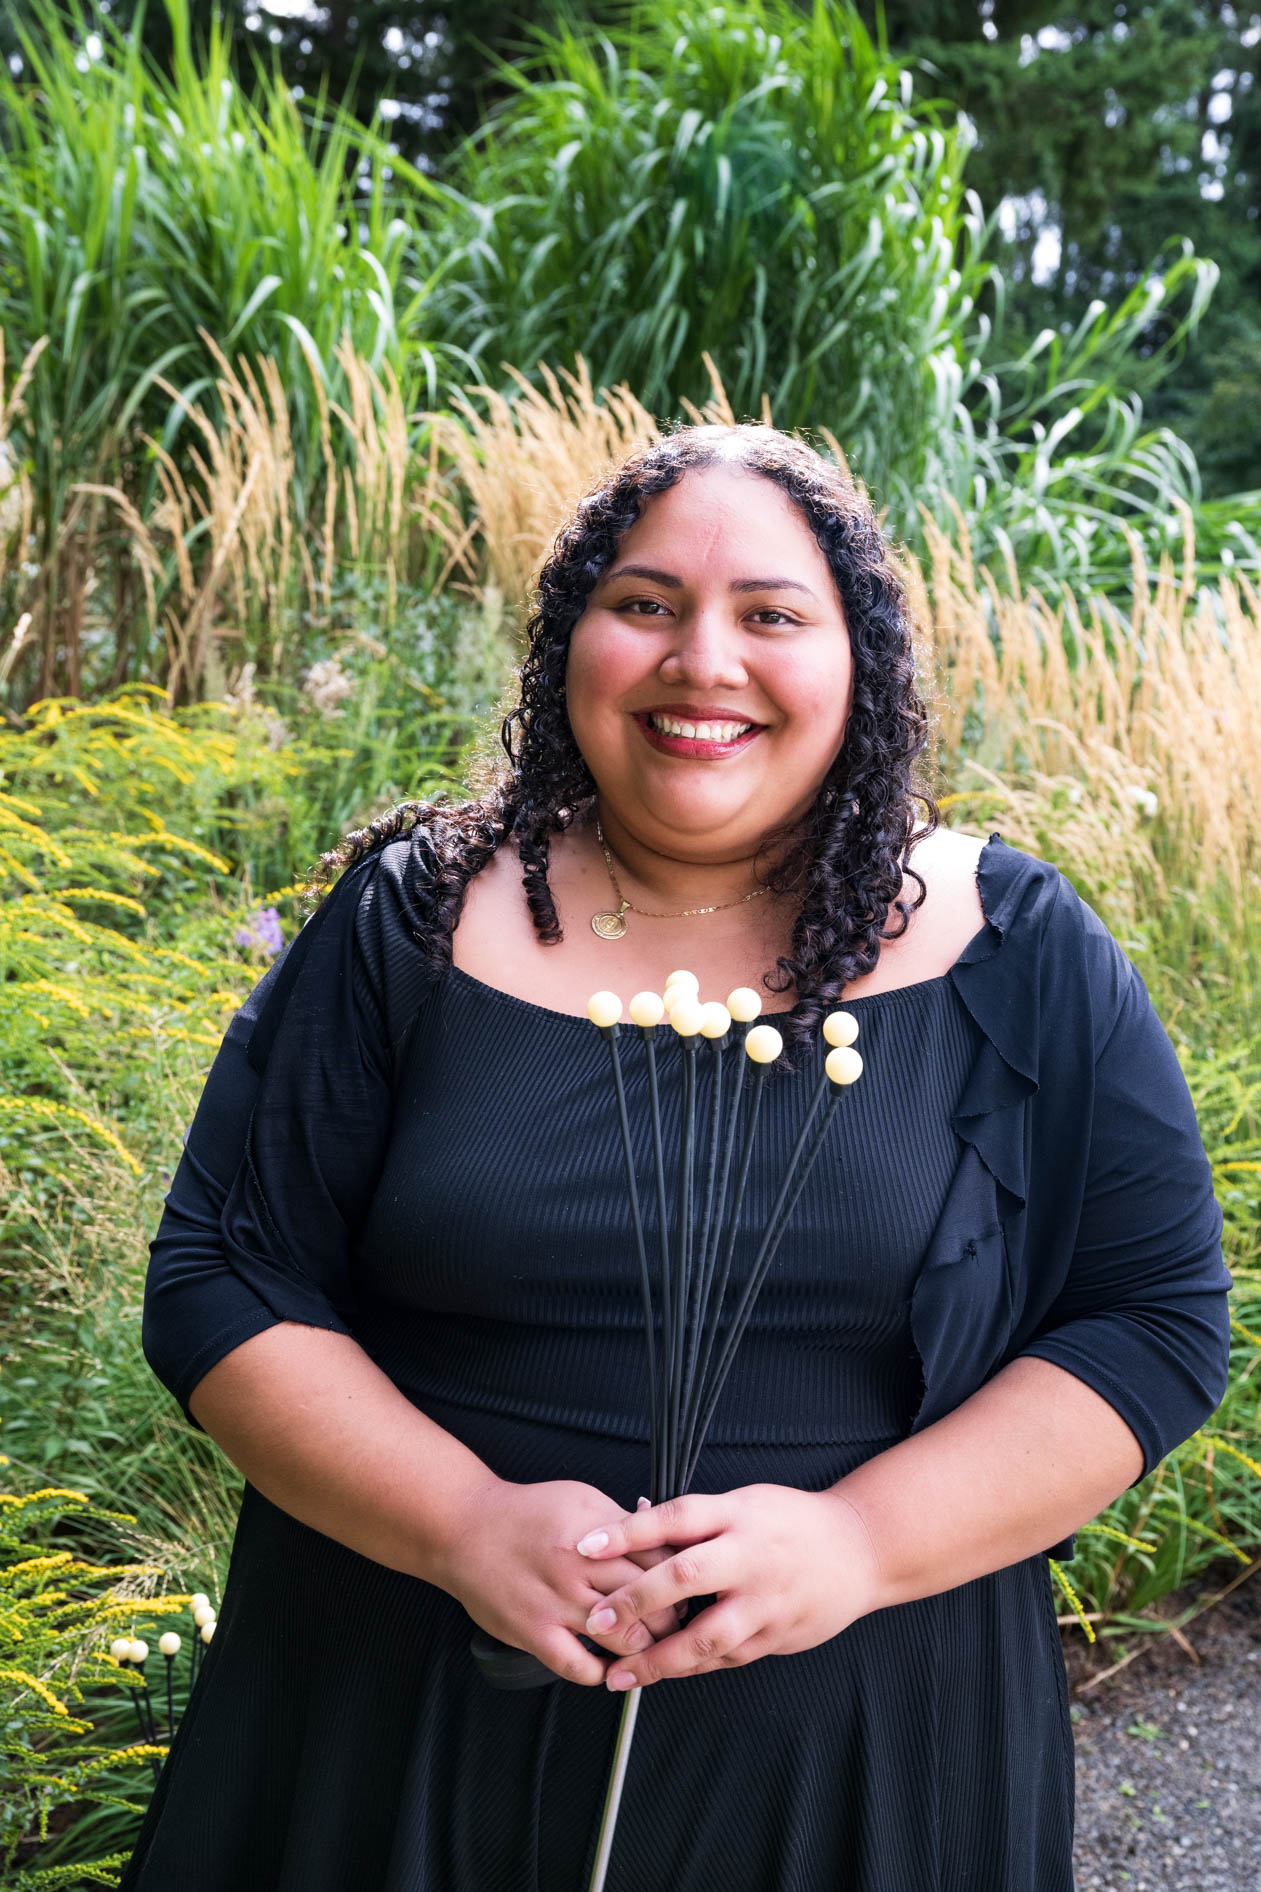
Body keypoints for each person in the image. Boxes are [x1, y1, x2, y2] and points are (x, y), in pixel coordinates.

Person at [123, 424, 1232, 1892]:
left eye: (771, 614)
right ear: (570, 637)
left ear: (861, 662)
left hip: (856, 1760)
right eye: (643, 602)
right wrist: (462, 1525)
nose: (700, 660)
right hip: (393, 1716)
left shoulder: (1014, 951)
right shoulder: (413, 924)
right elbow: (222, 1276)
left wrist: (857, 1546)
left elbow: (1150, 1321)